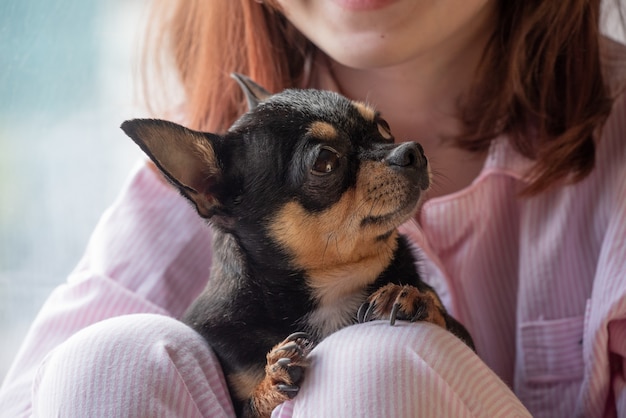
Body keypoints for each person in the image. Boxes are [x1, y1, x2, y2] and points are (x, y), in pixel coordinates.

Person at [1, 0, 625, 416]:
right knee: (105, 361)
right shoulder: (228, 165)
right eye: (325, 165)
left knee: (372, 370)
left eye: (379, 134)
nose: (395, 157)